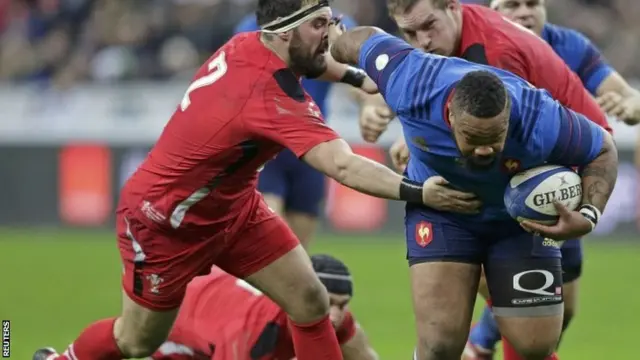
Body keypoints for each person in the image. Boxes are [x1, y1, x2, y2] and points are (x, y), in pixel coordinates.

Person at [31, 1, 433, 360]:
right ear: (286, 31)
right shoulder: (266, 93)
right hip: (166, 223)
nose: (331, 33)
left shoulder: (250, 44)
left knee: (310, 300)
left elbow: (316, 59)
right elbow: (342, 166)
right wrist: (419, 191)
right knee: (136, 342)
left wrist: (358, 80)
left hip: (232, 209)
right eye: (320, 24)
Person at [330, 25, 618, 360]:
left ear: (509, 117)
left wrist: (589, 214)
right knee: (439, 345)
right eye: (472, 137)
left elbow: (603, 149)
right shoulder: (410, 81)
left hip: (518, 222)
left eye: (495, 137)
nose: (484, 150)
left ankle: (481, 344)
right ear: (450, 115)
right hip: (443, 211)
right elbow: (360, 39)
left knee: (536, 345)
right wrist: (336, 47)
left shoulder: (539, 117)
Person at [463, 1, 640, 358]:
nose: (524, 12)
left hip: (554, 192)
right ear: (490, 10)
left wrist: (632, 105)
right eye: (511, 5)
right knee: (521, 305)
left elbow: (621, 92)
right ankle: (481, 345)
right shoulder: (473, 48)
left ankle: (481, 339)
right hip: (488, 192)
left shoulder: (568, 45)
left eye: (532, 3)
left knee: (562, 313)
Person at [233, 10, 359, 246]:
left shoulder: (341, 26)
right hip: (270, 149)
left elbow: (357, 78)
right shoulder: (253, 27)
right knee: (272, 243)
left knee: (300, 252)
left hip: (313, 149)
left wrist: (368, 104)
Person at [149, 254, 378, 360]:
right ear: (304, 296)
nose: (336, 316)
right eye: (328, 303)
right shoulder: (252, 332)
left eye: (343, 304)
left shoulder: (328, 317)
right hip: (176, 329)